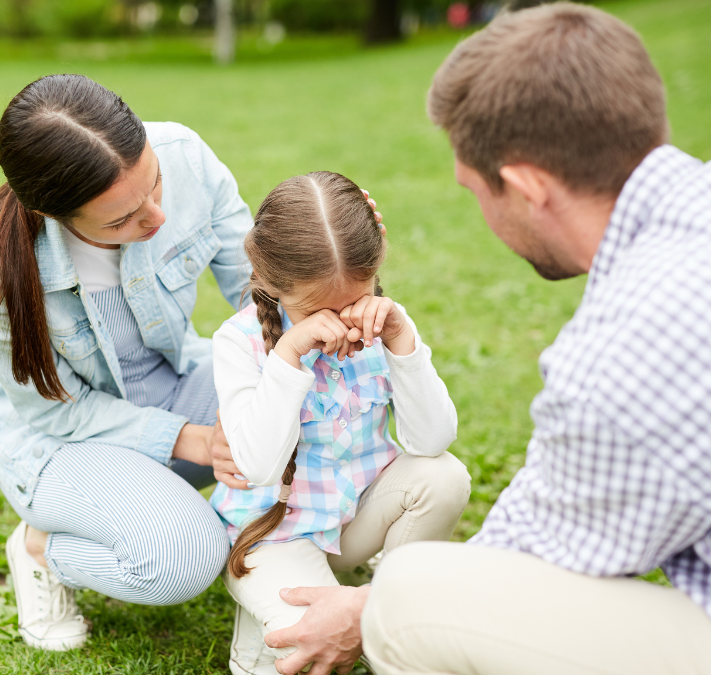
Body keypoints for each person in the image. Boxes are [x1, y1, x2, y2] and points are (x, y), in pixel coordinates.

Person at [261, 5, 711, 675]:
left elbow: (542, 550)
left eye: (475, 191)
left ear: (528, 188)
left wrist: (368, 609)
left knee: (408, 599)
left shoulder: (623, 351)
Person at [0, 73, 258, 650]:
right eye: (120, 222)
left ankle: (297, 552)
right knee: (187, 558)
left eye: (155, 183)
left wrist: (332, 247)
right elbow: (54, 413)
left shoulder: (184, 153)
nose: (157, 217)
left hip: (176, 384)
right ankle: (40, 548)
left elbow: (264, 297)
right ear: (52, 213)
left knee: (305, 383)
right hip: (64, 445)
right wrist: (193, 438)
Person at [210, 171, 469, 675]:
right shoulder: (238, 342)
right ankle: (262, 632)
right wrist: (288, 356)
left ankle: (390, 592)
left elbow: (432, 440)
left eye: (353, 299)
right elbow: (259, 467)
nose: (340, 322)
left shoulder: (383, 326)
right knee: (316, 652)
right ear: (266, 280)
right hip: (273, 536)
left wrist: (403, 344)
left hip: (352, 521)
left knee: (444, 476)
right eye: (313, 309)